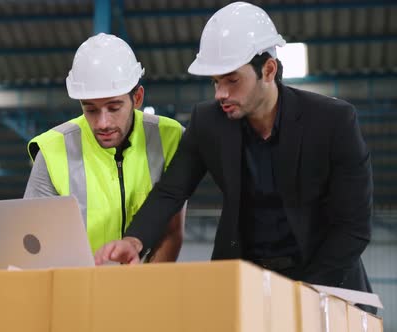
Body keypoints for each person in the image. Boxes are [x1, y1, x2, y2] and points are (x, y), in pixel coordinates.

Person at [95, 2, 375, 304]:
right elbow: (170, 192)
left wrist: (306, 294)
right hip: (247, 281)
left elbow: (354, 227)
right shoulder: (208, 122)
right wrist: (133, 240)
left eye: (232, 80)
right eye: (215, 82)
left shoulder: (332, 121)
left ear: (268, 70)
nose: (220, 94)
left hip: (325, 280)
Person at [24, 33, 186, 262]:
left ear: (137, 97)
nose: (103, 123)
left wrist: (150, 289)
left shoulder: (169, 138)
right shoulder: (52, 150)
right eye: (90, 109)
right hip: (77, 288)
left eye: (114, 107)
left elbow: (171, 231)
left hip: (145, 282)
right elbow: (33, 243)